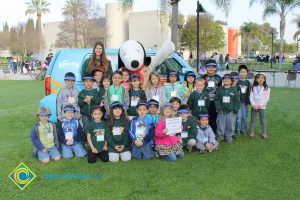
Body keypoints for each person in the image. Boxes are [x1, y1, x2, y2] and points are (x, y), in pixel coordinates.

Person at [215, 74, 241, 144]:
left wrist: (235, 110)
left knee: (230, 124)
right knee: (220, 124)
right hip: (221, 111)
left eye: (228, 79)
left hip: (231, 111)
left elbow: (237, 101)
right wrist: (219, 109)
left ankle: (229, 137)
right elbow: (217, 100)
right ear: (223, 80)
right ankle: (220, 137)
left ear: (231, 81)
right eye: (224, 79)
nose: (226, 80)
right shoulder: (220, 89)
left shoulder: (234, 90)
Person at [202, 59, 222, 133]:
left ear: (216, 67)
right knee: (205, 116)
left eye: (213, 67)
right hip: (205, 100)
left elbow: (220, 90)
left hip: (215, 101)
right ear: (206, 68)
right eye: (209, 67)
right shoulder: (203, 77)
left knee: (214, 117)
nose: (211, 69)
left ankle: (213, 132)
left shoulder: (218, 77)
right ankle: (204, 131)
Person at [249, 73, 270, 139]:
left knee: (263, 120)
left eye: (262, 78)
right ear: (256, 79)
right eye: (258, 78)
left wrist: (260, 105)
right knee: (253, 120)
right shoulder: (253, 87)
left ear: (264, 79)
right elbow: (251, 97)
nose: (260, 79)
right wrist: (253, 105)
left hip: (262, 107)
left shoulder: (267, 88)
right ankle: (252, 132)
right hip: (254, 107)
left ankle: (264, 133)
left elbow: (267, 98)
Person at [236, 65, 252, 135]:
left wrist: (249, 101)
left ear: (247, 73)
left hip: (244, 103)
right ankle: (238, 129)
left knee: (244, 117)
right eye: (241, 72)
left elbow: (250, 93)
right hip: (238, 103)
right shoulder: (237, 82)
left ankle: (243, 129)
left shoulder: (248, 83)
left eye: (244, 72)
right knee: (238, 117)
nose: (243, 73)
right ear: (238, 73)